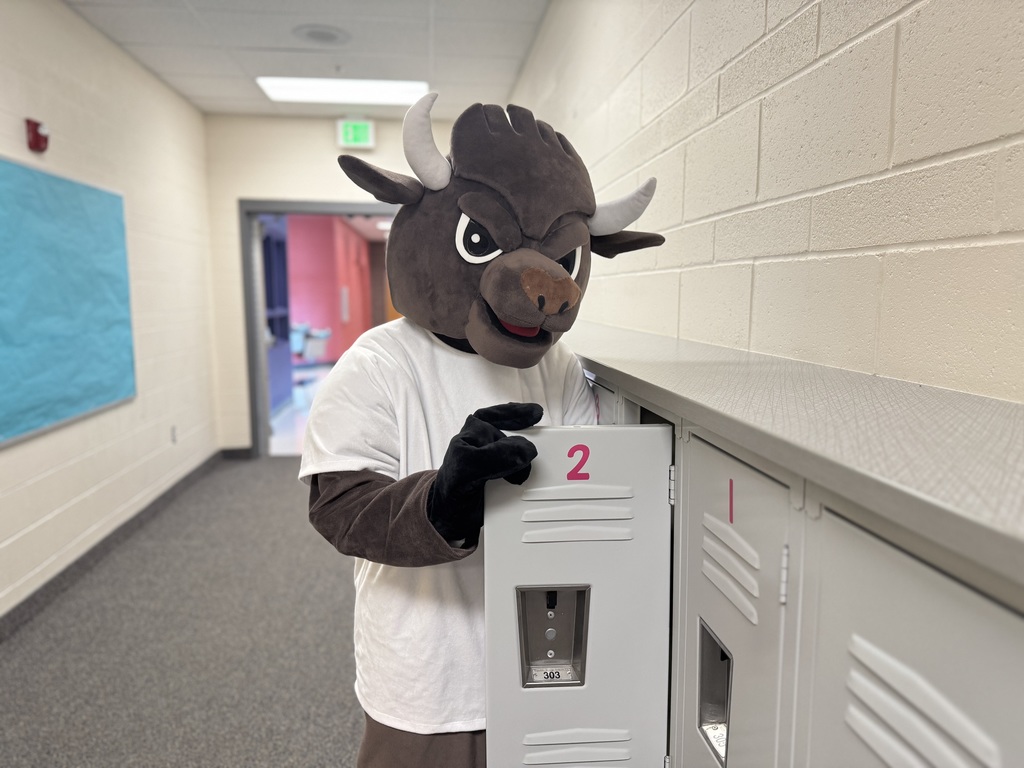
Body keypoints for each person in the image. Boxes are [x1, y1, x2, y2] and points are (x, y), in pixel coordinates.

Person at [300, 93, 663, 768]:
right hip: (427, 672)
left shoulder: (558, 368)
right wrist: (444, 498)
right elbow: (338, 505)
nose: (545, 286)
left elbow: (592, 476)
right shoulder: (379, 364)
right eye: (485, 240)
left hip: (538, 655)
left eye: (563, 259)